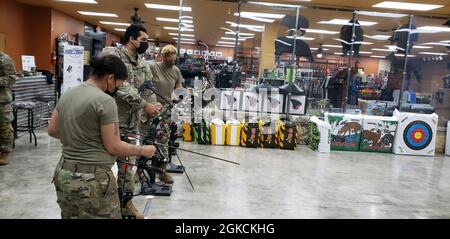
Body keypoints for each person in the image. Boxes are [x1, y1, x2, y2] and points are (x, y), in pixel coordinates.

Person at [48, 55, 156, 219]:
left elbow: (53, 130)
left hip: (63, 174)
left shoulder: (68, 94)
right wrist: (143, 150)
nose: (116, 89)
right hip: (92, 180)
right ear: (110, 77)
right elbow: (113, 146)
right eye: (118, 85)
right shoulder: (105, 101)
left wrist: (82, 137)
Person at [101, 24, 162, 219]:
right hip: (108, 121)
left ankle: (125, 204)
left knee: (127, 167)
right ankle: (101, 203)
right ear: (131, 39)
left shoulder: (144, 64)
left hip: (131, 124)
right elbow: (120, 86)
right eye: (143, 40)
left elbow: (149, 88)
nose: (146, 44)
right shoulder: (113, 55)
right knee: (101, 164)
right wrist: (145, 104)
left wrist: (154, 107)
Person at [147, 45, 183, 184]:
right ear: (163, 57)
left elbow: (179, 87)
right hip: (151, 107)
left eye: (174, 60)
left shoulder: (176, 70)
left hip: (166, 110)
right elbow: (146, 86)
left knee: (164, 141)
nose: (172, 63)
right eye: (169, 60)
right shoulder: (153, 68)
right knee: (147, 139)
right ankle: (139, 171)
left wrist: (180, 97)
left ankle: (162, 172)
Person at [0, 52, 16, 166]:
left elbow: (11, 79)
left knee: (4, 126)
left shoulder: (4, 59)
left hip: (2, 100)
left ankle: (6, 152)